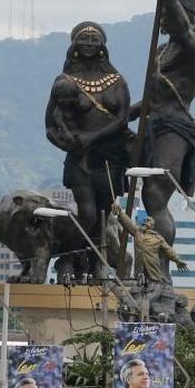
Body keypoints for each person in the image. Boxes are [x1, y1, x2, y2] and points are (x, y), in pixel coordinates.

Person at [134, 0, 195, 280]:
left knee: (155, 196)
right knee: (141, 192)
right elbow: (153, 99)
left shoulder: (194, 46)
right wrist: (122, 116)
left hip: (174, 130)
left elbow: (181, 25)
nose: (162, 15)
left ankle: (159, 274)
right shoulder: (166, 48)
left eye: (167, 9)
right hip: (153, 125)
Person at [45, 21, 131, 271]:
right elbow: (50, 125)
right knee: (88, 214)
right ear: (74, 45)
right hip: (80, 159)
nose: (89, 45)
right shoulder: (65, 81)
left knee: (104, 218)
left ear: (103, 45)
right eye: (84, 39)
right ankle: (68, 256)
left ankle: (94, 262)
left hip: (111, 158)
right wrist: (68, 143)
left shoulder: (117, 81)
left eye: (95, 40)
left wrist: (92, 138)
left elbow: (122, 119)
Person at [111, 203, 188, 283]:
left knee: (154, 286)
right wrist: (119, 212)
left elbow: (168, 249)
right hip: (139, 268)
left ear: (152, 225)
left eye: (148, 220)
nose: (145, 221)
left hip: (152, 268)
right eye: (144, 220)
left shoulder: (157, 238)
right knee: (139, 287)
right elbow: (128, 223)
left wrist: (178, 260)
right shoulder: (138, 232)